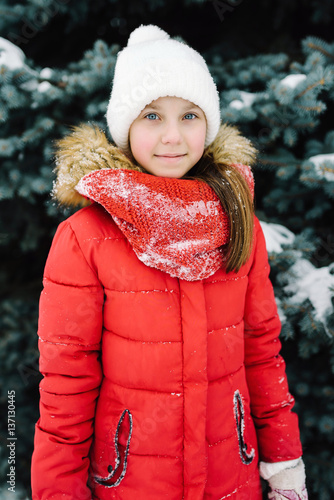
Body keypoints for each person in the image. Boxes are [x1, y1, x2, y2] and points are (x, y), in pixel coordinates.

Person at [31, 24, 308, 500]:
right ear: (126, 127)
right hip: (131, 485)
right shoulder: (85, 237)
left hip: (231, 478)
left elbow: (262, 352)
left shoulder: (238, 220)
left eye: (191, 115)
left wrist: (284, 461)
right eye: (153, 115)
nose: (174, 136)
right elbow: (66, 384)